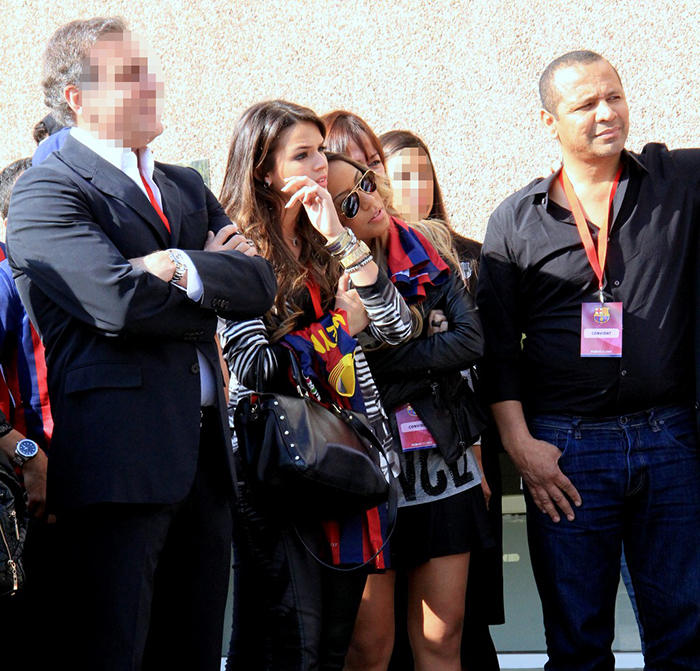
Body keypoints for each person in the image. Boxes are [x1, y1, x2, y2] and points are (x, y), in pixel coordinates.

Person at [7, 17, 276, 671]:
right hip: (118, 468)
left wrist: (175, 265)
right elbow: (116, 302)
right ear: (77, 98)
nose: (152, 84)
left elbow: (259, 284)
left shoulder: (185, 184)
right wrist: (208, 276)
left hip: (205, 465)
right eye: (130, 75)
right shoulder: (47, 189)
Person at [477, 49, 700, 669]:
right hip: (565, 452)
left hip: (670, 438)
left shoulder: (678, 182)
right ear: (549, 121)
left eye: (615, 96)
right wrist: (520, 447)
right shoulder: (516, 221)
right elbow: (498, 349)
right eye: (586, 104)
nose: (607, 113)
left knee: (685, 636)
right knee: (577, 644)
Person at [219, 100, 412, 670]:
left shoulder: (328, 239)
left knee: (332, 647)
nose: (320, 165)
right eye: (302, 155)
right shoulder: (242, 249)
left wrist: (338, 238)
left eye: (320, 151)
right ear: (263, 170)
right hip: (278, 467)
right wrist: (337, 327)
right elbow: (253, 366)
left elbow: (396, 326)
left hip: (346, 460)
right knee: (291, 648)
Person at [324, 152, 490, 671]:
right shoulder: (323, 276)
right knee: (369, 649)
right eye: (349, 202)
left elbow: (470, 342)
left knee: (442, 641)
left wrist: (379, 355)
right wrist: (424, 342)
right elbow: (334, 374)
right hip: (369, 478)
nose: (370, 199)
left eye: (367, 183)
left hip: (444, 468)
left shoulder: (425, 247)